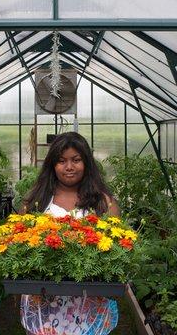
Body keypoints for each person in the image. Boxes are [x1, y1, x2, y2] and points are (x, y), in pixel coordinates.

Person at [20, 132, 120, 335]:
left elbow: (117, 245)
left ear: (87, 163)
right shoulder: (37, 199)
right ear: (52, 165)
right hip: (44, 297)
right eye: (61, 161)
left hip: (89, 297)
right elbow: (19, 240)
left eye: (76, 160)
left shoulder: (103, 201)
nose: (69, 167)